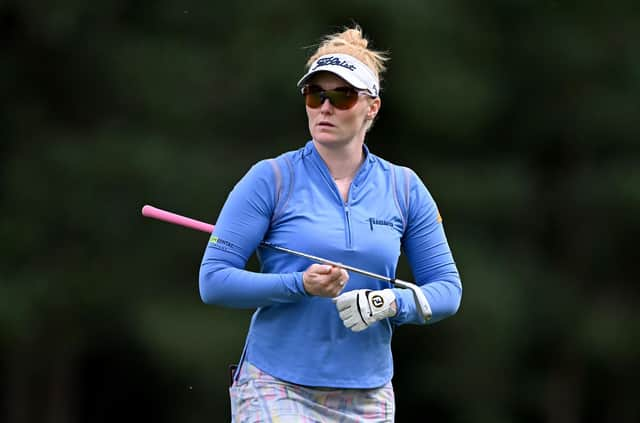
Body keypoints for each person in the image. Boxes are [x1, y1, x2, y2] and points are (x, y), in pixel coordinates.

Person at [199, 24, 462, 422]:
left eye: (342, 96)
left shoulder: (404, 188)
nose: (325, 107)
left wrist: (390, 302)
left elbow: (447, 290)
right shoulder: (270, 179)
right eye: (315, 94)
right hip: (276, 382)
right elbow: (214, 281)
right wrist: (300, 284)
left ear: (371, 107)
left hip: (368, 393)